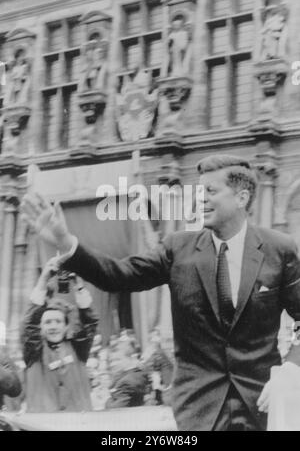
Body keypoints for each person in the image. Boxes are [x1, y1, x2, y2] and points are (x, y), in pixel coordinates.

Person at [21, 154, 300, 430]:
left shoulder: (280, 249)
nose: (200, 198)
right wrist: (66, 242)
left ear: (241, 198)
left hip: (261, 405)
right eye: (199, 190)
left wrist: (289, 370)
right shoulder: (177, 249)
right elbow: (117, 276)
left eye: (210, 191)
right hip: (199, 411)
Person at [21, 257, 98, 412]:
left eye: (58, 321)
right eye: (48, 322)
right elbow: (28, 323)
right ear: (40, 327)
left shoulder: (78, 348)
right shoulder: (33, 351)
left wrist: (79, 286)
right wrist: (43, 279)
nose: (53, 326)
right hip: (43, 425)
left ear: (65, 326)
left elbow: (90, 322)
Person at [105, 335, 148, 409]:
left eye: (116, 360)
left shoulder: (125, 382)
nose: (112, 364)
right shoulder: (139, 371)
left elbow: (116, 408)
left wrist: (108, 400)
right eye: (111, 361)